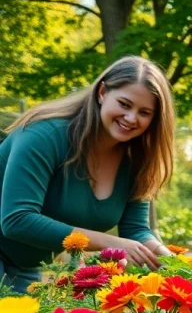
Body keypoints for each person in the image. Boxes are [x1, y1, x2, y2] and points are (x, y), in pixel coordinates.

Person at [0, 56, 175, 292]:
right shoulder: (44, 135)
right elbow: (17, 219)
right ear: (102, 92)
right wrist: (111, 244)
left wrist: (172, 262)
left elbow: (135, 230)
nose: (132, 118)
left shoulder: (137, 161)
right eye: (124, 104)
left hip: (24, 265)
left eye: (144, 112)